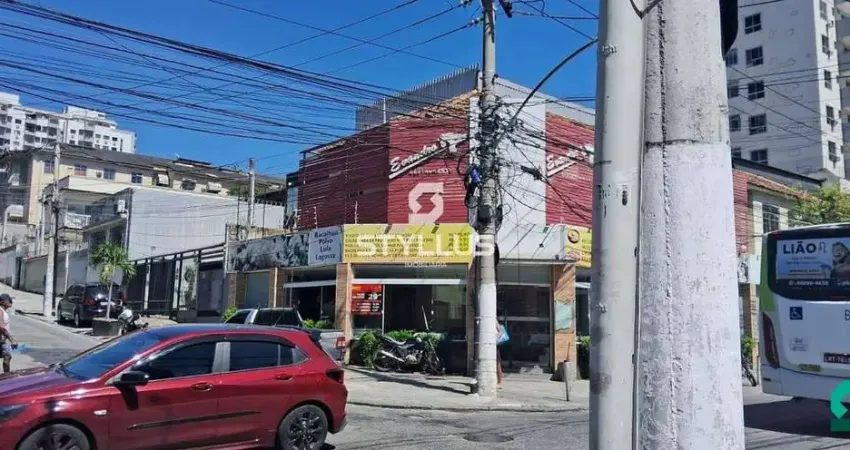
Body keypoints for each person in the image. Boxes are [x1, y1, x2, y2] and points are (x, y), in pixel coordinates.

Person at [0, 293, 17, 373]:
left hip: (2, 340)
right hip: (0, 340)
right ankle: (7, 376)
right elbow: (1, 327)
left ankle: (6, 376)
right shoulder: (0, 311)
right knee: (7, 356)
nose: (11, 301)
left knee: (7, 356)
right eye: (8, 300)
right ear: (3, 302)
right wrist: (12, 339)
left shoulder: (2, 311)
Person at [496, 310, 509, 388]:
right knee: (497, 363)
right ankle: (498, 381)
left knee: (497, 363)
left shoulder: (493, 321)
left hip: (494, 345)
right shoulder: (494, 321)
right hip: (494, 345)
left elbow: (500, 332)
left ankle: (499, 382)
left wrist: (494, 339)